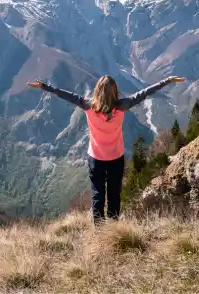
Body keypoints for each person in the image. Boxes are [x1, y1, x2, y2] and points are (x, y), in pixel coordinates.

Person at [27, 75, 186, 225]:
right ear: (114, 91)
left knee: (98, 195)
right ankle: (113, 230)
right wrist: (167, 80)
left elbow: (65, 95)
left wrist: (44, 86)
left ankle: (99, 233)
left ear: (97, 91)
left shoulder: (87, 105)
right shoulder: (123, 106)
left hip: (95, 158)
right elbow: (145, 92)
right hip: (115, 158)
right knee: (114, 196)